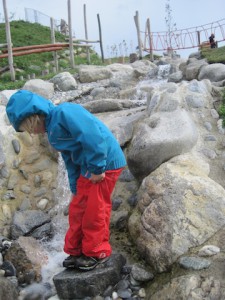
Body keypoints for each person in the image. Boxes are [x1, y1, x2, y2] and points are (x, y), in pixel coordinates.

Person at [6, 90, 126, 271]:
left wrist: (97, 167)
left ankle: (96, 251)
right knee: (77, 208)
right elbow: (70, 158)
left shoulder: (65, 112)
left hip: (105, 164)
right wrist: (74, 187)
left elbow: (93, 136)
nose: (33, 133)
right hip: (88, 167)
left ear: (35, 117)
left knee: (95, 209)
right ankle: (76, 249)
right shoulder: (51, 131)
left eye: (31, 128)